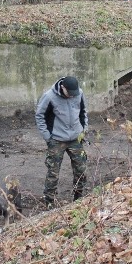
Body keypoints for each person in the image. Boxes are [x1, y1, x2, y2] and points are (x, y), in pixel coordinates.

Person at [35, 76, 88, 206]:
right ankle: (49, 202)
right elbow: (39, 116)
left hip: (76, 138)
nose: (71, 96)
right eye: (69, 93)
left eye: (73, 94)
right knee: (53, 173)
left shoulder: (79, 93)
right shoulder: (49, 97)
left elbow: (83, 111)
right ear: (62, 87)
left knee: (81, 170)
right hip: (57, 140)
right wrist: (48, 137)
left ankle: (78, 199)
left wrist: (84, 130)